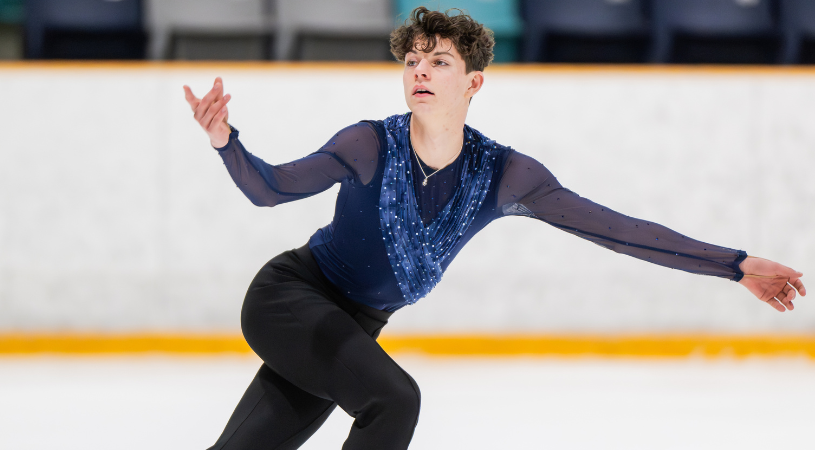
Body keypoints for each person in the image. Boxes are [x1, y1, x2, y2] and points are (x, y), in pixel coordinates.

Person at [182, 7, 806, 450]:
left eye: (440, 61)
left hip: (350, 330)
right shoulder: (368, 144)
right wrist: (225, 140)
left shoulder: (505, 175)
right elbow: (271, 189)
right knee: (395, 400)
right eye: (412, 60)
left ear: (474, 81)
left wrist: (737, 264)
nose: (420, 71)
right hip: (290, 299)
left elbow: (618, 229)